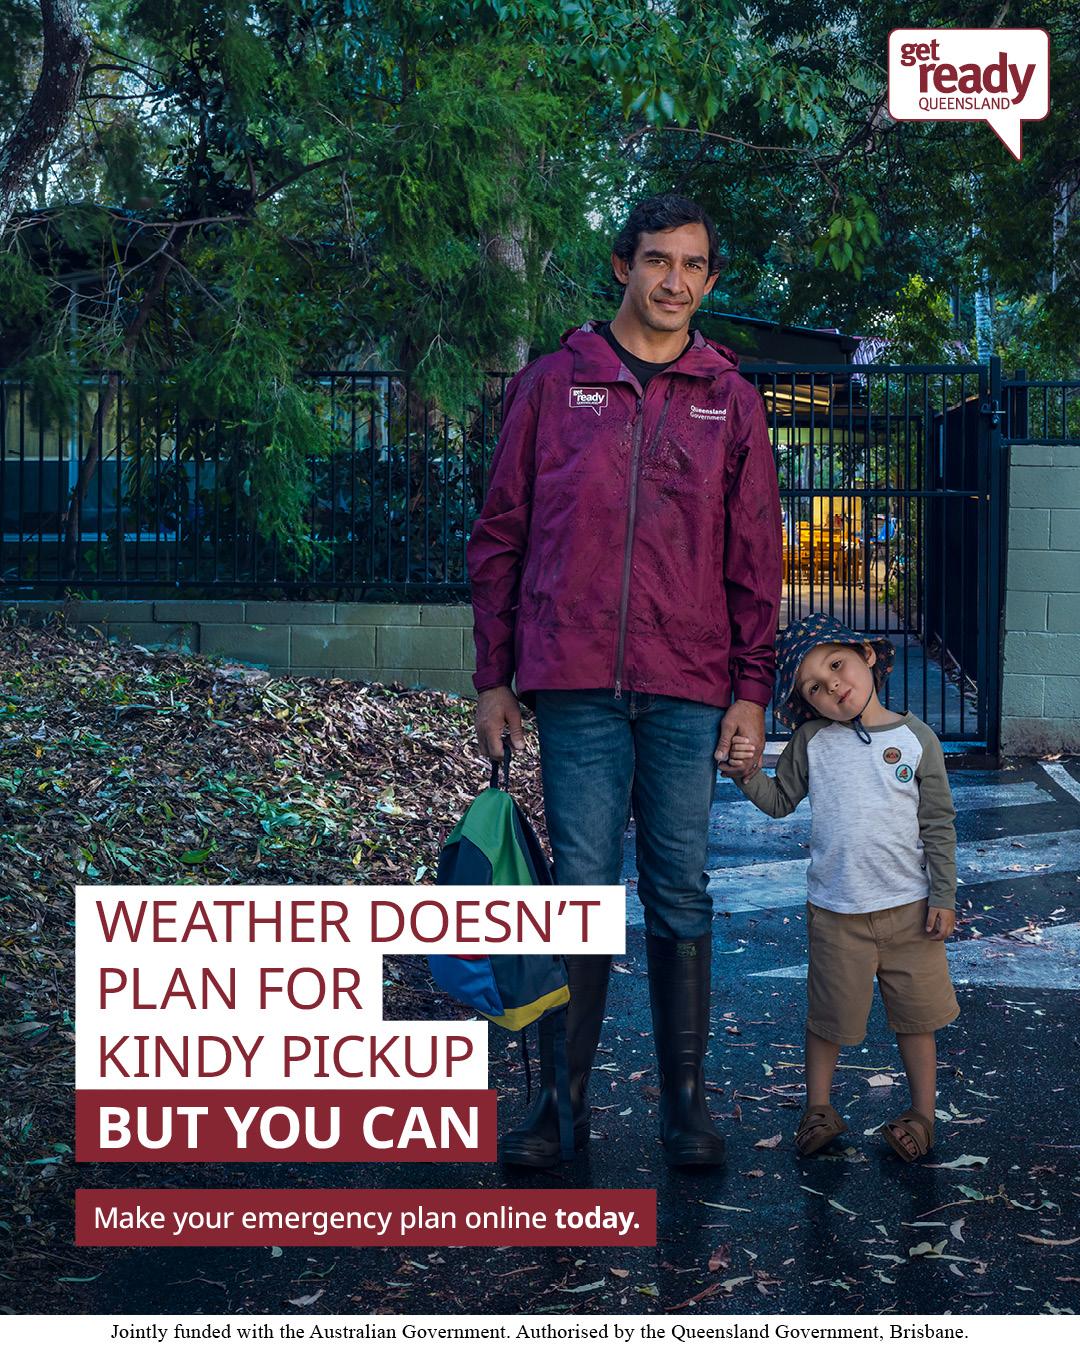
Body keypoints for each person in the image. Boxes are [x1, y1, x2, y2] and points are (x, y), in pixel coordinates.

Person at [467, 193, 783, 1168]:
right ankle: (559, 1106)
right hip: (574, 684)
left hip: (689, 683)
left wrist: (751, 690)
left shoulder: (730, 399)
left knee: (681, 891)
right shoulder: (554, 384)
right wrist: (492, 678)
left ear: (710, 279)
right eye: (657, 260)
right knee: (581, 893)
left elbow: (755, 557)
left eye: (692, 265)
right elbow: (501, 534)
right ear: (622, 266)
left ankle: (686, 1110)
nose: (673, 281)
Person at [723, 613, 960, 1163]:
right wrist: (745, 775)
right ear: (805, 703)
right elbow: (780, 800)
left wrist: (944, 897)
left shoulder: (917, 739)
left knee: (917, 1019)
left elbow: (938, 824)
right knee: (827, 1019)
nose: (831, 686)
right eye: (813, 687)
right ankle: (819, 1109)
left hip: (911, 912)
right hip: (835, 913)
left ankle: (922, 1116)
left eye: (836, 665)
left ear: (867, 656)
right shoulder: (811, 741)